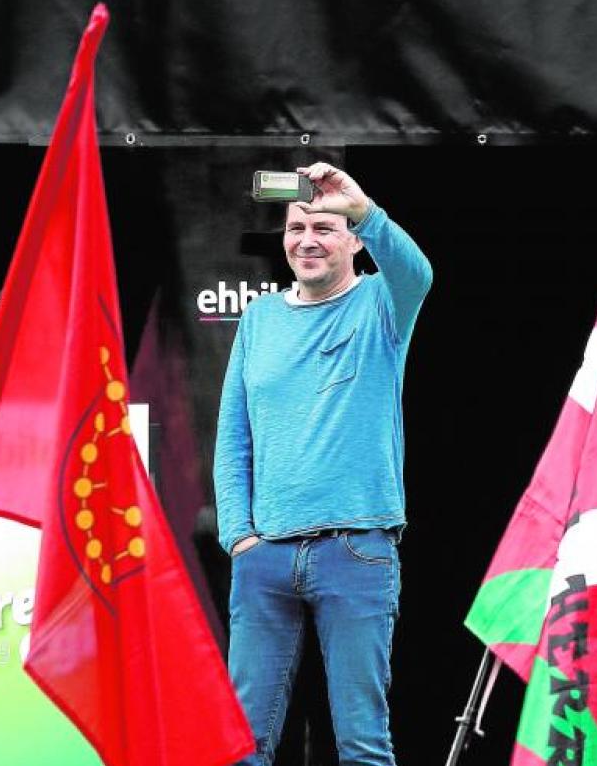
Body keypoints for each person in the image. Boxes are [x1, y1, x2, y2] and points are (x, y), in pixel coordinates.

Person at [214, 162, 432, 765]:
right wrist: (239, 538)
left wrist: (362, 208)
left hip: (356, 549)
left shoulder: (380, 303)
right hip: (265, 557)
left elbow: (418, 272)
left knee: (363, 745)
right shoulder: (259, 319)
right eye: (296, 227)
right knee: (242, 746)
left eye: (325, 228)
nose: (307, 240)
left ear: (355, 241)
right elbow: (233, 437)